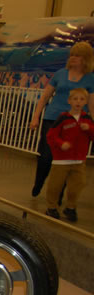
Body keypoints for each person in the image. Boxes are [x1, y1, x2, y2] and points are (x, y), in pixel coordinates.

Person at [29, 41, 94, 197]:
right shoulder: (60, 74)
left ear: (85, 59)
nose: (73, 58)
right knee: (46, 156)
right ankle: (39, 182)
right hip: (53, 119)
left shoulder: (90, 79)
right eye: (72, 55)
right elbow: (45, 97)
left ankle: (58, 194)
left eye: (77, 56)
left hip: (74, 123)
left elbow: (92, 105)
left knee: (66, 161)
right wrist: (36, 117)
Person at [43, 88, 94, 222]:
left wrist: (89, 129)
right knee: (55, 185)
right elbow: (51, 135)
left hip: (79, 160)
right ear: (69, 101)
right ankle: (51, 207)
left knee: (77, 185)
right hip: (61, 160)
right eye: (75, 99)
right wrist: (61, 144)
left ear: (86, 102)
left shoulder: (87, 119)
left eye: (82, 99)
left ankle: (71, 207)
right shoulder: (63, 118)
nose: (78, 102)